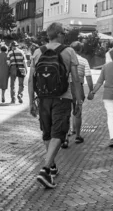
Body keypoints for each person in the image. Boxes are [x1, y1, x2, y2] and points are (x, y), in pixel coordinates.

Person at [28, 22, 79, 189]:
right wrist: (77, 100)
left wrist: (31, 102)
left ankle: (52, 166)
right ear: (58, 34)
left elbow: (31, 79)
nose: (64, 35)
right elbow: (75, 79)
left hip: (43, 98)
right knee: (59, 133)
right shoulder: (69, 51)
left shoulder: (37, 52)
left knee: (47, 133)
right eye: (63, 32)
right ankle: (45, 170)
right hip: (62, 98)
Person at [65, 41, 94, 146]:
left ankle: (65, 137)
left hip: (66, 87)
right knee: (77, 112)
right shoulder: (83, 61)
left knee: (66, 113)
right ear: (81, 50)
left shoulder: (66, 60)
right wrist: (91, 90)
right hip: (78, 88)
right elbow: (89, 77)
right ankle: (77, 136)